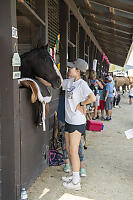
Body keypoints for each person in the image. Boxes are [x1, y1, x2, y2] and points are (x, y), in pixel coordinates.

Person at [62, 58, 96, 190]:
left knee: (74, 150)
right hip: (68, 120)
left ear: (78, 71)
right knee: (69, 149)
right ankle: (74, 174)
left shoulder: (82, 84)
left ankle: (76, 182)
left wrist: (81, 104)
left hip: (77, 121)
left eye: (71, 68)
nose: (68, 70)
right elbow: (58, 83)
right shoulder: (70, 82)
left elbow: (92, 98)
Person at [57, 70, 86, 177]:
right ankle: (67, 163)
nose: (68, 72)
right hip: (64, 117)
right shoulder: (66, 84)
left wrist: (83, 108)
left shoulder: (80, 85)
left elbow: (86, 101)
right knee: (66, 144)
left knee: (77, 145)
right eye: (68, 71)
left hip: (74, 120)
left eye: (71, 70)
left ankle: (81, 167)